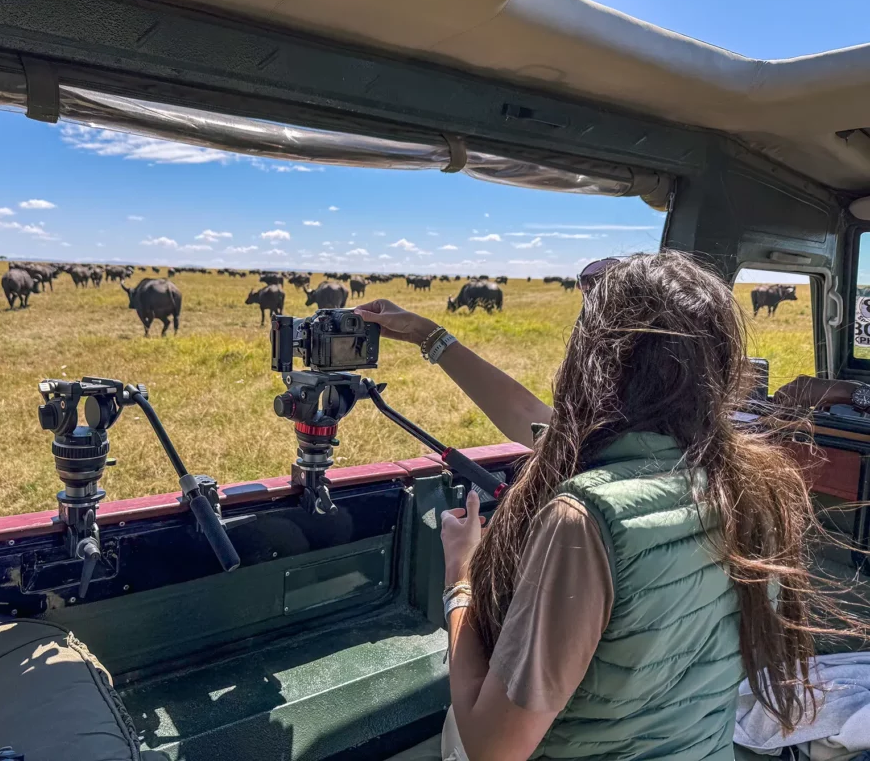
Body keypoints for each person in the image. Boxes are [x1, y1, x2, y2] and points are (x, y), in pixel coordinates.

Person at [358, 252, 844, 761]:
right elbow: (528, 416)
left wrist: (461, 579)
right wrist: (427, 334)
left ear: (593, 359)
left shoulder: (586, 517)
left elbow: (490, 750)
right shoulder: (752, 485)